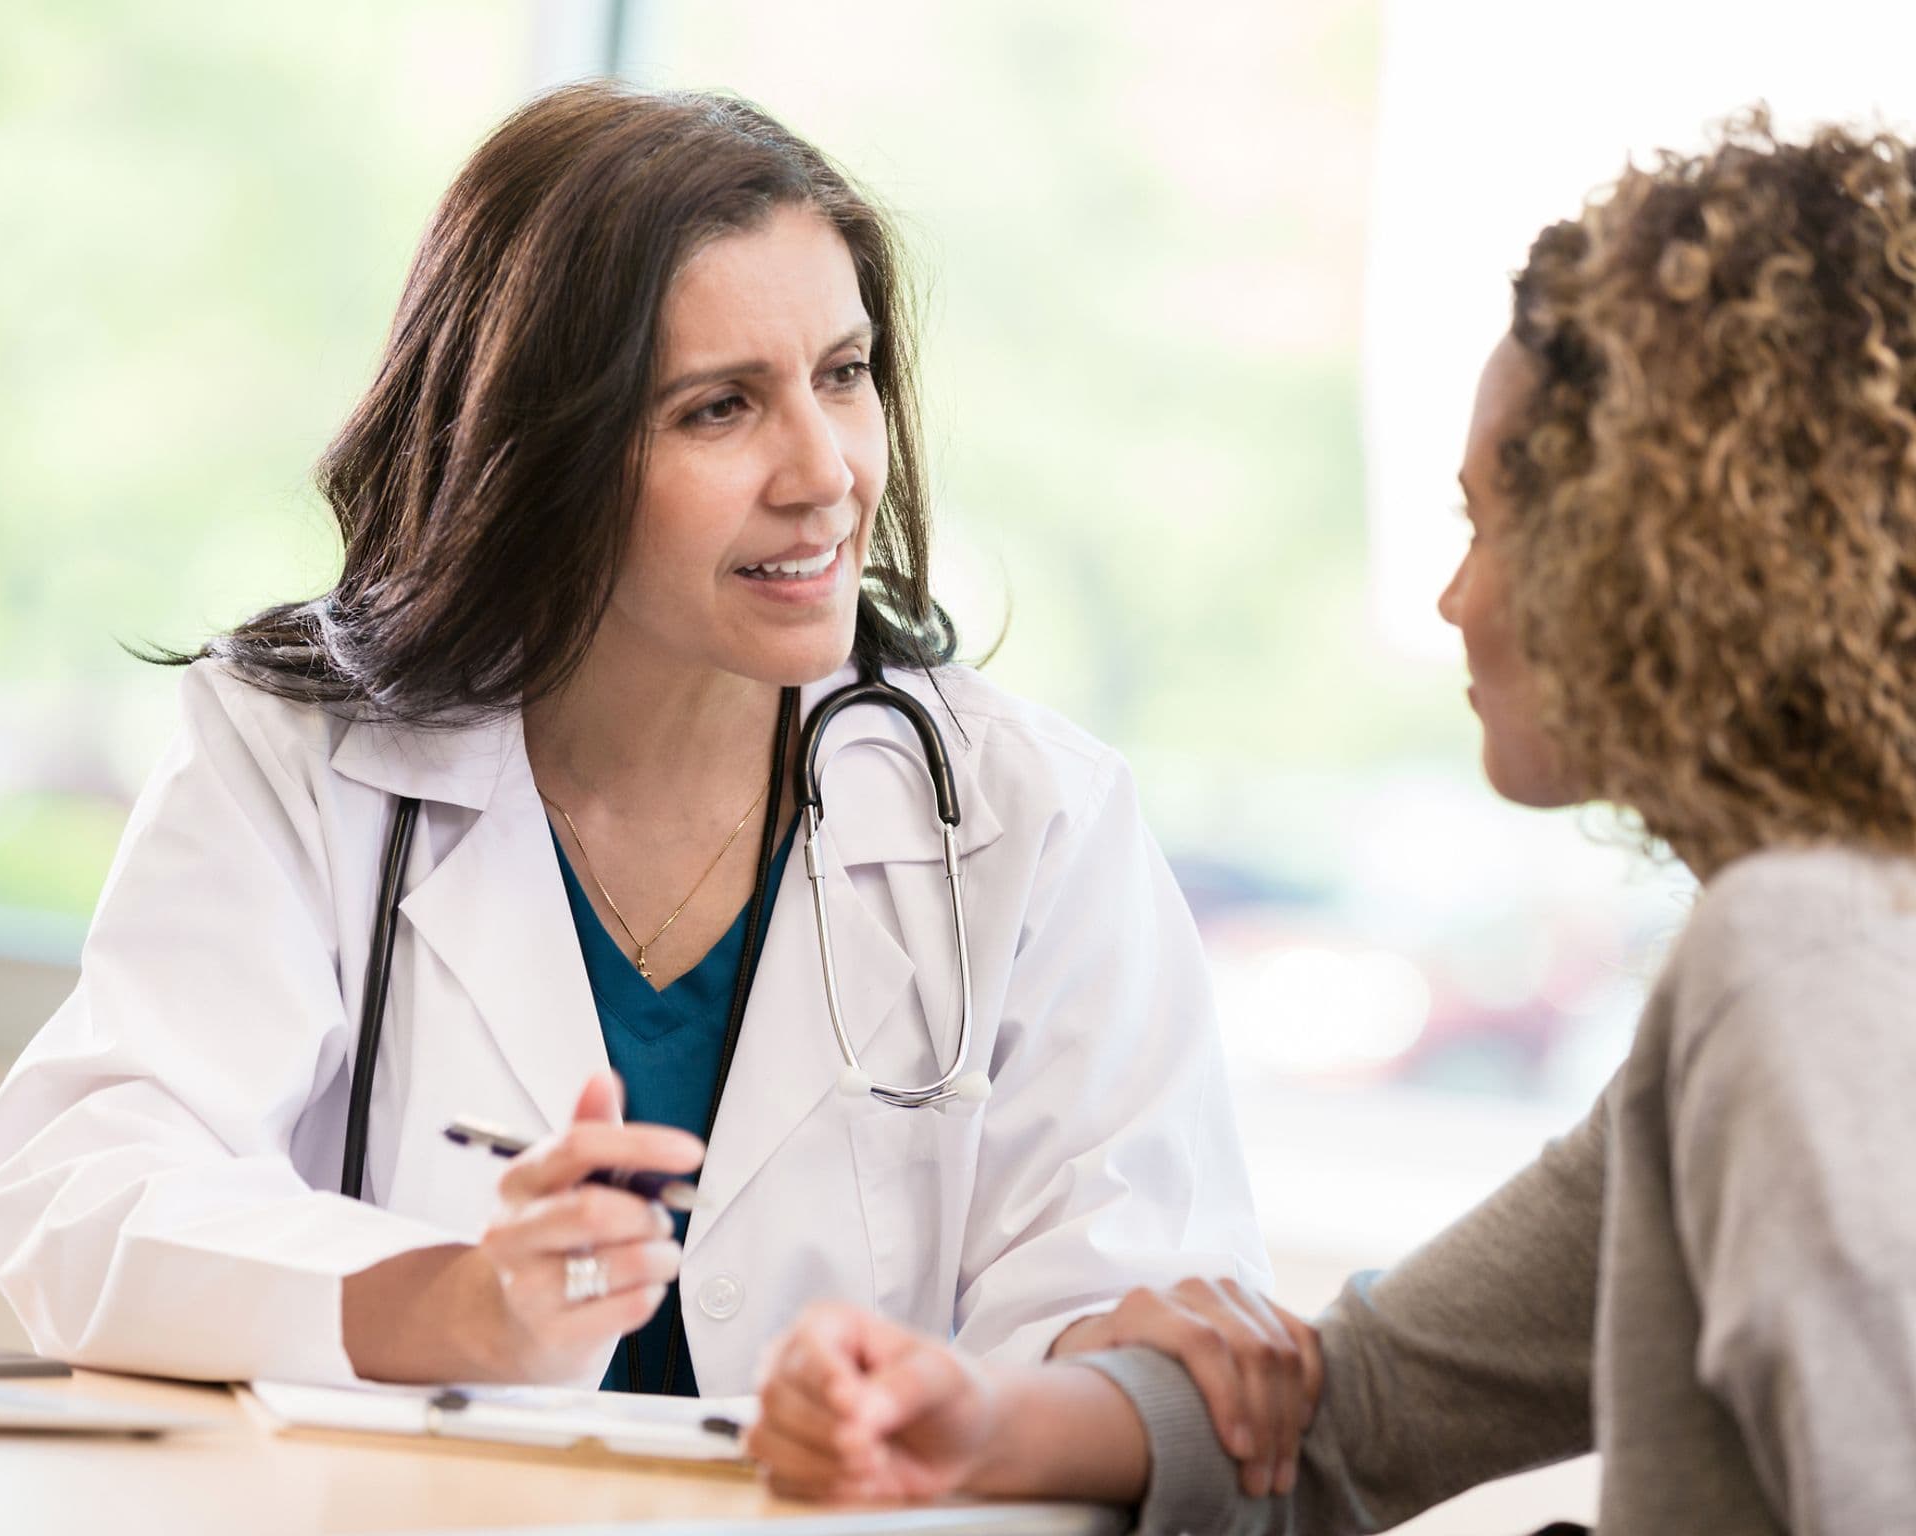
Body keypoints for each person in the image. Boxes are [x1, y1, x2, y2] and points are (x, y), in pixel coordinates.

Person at [0, 81, 1268, 1395]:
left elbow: (1139, 1314)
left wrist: (1036, 1388)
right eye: (719, 407)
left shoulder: (1029, 820)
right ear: (539, 452)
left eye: (843, 375)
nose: (825, 474)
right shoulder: (296, 759)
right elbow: (79, 1191)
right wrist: (456, 1306)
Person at [747, 112, 1916, 1533]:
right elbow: (1358, 1410)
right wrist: (980, 1418)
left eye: (1488, 525)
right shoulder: (1793, 963)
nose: (1456, 600)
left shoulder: (1798, 953)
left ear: (1658, 555)